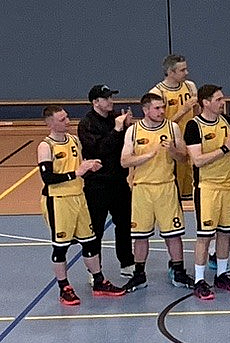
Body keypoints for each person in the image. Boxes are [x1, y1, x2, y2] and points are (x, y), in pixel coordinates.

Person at [37, 105, 117, 305]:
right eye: (62, 119)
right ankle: (64, 287)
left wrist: (90, 166)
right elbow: (47, 178)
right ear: (50, 123)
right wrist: (77, 173)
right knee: (61, 247)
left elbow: (79, 167)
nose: (67, 121)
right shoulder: (46, 146)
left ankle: (99, 281)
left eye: (67, 117)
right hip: (58, 200)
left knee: (90, 242)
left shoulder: (73, 140)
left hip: (79, 198)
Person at [120, 92, 191, 291]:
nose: (162, 111)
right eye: (157, 108)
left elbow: (184, 158)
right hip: (142, 188)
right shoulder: (133, 131)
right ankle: (139, 274)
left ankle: (178, 271)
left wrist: (173, 151)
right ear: (145, 110)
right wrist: (147, 156)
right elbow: (124, 161)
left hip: (166, 186)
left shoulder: (172, 128)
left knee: (173, 235)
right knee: (140, 235)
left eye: (163, 107)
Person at [184, 84, 230, 301]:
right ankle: (200, 280)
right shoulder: (194, 126)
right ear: (205, 102)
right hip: (207, 187)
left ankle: (221, 274)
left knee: (226, 233)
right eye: (218, 99)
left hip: (227, 185)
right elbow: (198, 160)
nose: (222, 103)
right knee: (205, 236)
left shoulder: (225, 121)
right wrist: (225, 148)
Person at [77, 84, 135, 280]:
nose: (111, 101)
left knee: (124, 224)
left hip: (119, 181)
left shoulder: (116, 118)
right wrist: (117, 129)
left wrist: (127, 128)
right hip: (97, 185)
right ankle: (95, 270)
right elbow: (98, 150)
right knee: (96, 228)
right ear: (95, 102)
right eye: (106, 98)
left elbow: (124, 147)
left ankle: (127, 262)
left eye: (111, 97)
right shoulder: (86, 124)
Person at [149, 54, 197, 201]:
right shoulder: (157, 93)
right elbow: (159, 126)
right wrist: (183, 110)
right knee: (174, 195)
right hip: (172, 146)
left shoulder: (190, 86)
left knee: (192, 192)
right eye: (182, 70)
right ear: (170, 72)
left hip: (190, 143)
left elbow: (196, 113)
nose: (186, 73)